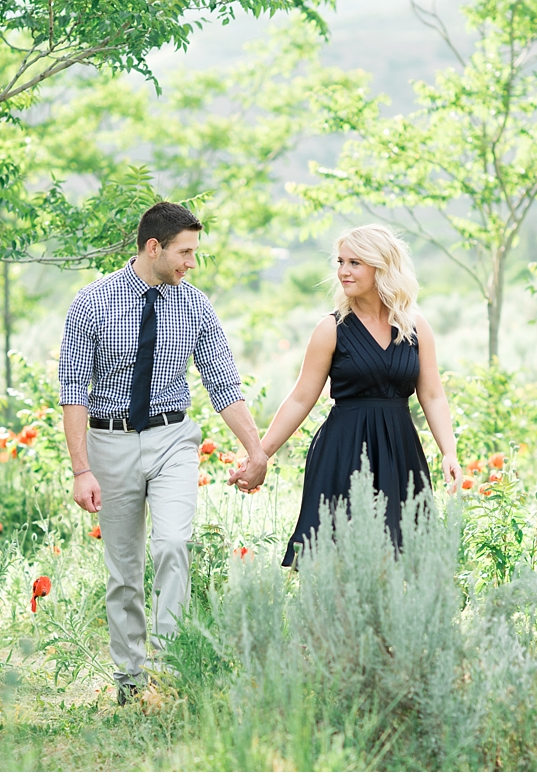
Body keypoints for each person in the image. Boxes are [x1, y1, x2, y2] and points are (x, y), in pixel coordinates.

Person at [59, 201, 269, 706]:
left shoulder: (195, 305)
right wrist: (81, 469)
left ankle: (171, 671)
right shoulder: (92, 303)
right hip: (110, 441)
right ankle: (131, 681)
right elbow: (73, 391)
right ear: (154, 248)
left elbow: (223, 382)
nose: (191, 263)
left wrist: (256, 449)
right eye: (185, 252)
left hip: (174, 439)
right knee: (124, 573)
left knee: (173, 545)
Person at [250, 224, 460, 568]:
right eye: (341, 261)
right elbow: (301, 398)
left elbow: (433, 395)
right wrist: (262, 454)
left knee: (401, 559)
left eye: (355, 263)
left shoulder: (415, 327)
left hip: (399, 451)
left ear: (382, 267)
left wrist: (448, 451)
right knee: (335, 561)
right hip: (343, 451)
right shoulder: (330, 329)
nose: (343, 271)